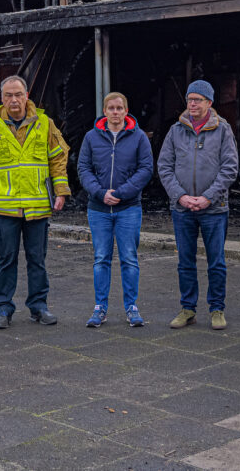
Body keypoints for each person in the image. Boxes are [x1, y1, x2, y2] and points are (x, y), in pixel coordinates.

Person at [0, 75, 71, 329]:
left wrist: (61, 191)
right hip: (3, 209)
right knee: (7, 260)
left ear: (27, 95)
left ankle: (39, 306)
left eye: (18, 94)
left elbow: (58, 158)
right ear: (1, 99)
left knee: (37, 259)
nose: (14, 100)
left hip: (37, 207)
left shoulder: (45, 124)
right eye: (9, 96)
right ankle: (3, 309)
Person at [158, 79, 238, 330]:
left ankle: (217, 309)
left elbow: (229, 168)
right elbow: (164, 166)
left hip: (213, 209)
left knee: (216, 261)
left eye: (197, 100)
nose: (192, 103)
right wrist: (180, 196)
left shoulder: (223, 130)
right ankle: (188, 309)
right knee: (185, 261)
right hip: (182, 209)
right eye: (190, 99)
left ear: (209, 103)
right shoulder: (175, 131)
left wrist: (208, 197)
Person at [77, 92, 154, 328]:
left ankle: (132, 307)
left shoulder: (139, 137)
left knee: (129, 259)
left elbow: (146, 169)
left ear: (126, 111)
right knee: (101, 258)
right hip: (98, 209)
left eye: (120, 108)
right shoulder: (91, 137)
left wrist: (121, 193)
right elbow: (83, 168)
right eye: (111, 108)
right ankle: (100, 308)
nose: (115, 112)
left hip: (128, 208)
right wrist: (101, 193)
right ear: (104, 111)